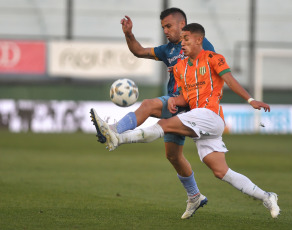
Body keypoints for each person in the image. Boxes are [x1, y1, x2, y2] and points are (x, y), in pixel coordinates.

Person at [90, 23, 280, 219]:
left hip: (210, 116)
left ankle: (118, 138)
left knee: (163, 125)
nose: (182, 43)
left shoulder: (214, 58)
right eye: (181, 40)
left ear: (199, 40)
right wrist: (174, 100)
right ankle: (267, 196)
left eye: (186, 39)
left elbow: (230, 80)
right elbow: (185, 97)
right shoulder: (180, 67)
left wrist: (250, 100)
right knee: (220, 171)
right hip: (200, 119)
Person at [92, 8, 214, 219]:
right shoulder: (168, 50)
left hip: (188, 104)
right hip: (175, 104)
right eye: (163, 27)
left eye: (168, 26)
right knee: (173, 155)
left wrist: (184, 85)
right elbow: (139, 51)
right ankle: (195, 196)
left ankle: (113, 130)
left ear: (182, 24)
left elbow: (207, 72)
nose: (165, 31)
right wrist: (129, 34)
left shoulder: (199, 44)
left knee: (148, 105)